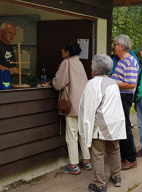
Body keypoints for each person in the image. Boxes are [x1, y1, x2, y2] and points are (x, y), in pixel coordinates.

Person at [78, 54, 126, 192]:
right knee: (114, 150)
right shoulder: (113, 83)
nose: (91, 67)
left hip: (100, 125)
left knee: (97, 154)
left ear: (95, 69)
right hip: (115, 124)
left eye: (92, 65)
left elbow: (87, 108)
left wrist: (85, 129)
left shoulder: (92, 84)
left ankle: (100, 185)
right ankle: (116, 177)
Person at [52, 40, 91, 175]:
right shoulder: (79, 63)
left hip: (71, 105)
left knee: (71, 135)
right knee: (82, 133)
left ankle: (73, 165)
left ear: (67, 52)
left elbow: (59, 83)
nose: (61, 52)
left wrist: (52, 81)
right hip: (82, 104)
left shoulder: (66, 63)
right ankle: (86, 160)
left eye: (63, 50)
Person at [110, 34, 139, 170]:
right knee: (119, 127)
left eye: (115, 44)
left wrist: (112, 83)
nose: (113, 47)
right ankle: (123, 155)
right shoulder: (118, 61)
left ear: (122, 46)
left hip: (124, 98)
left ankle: (131, 159)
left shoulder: (130, 61)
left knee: (125, 127)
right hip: (117, 96)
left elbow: (131, 84)